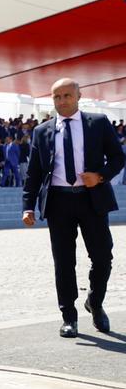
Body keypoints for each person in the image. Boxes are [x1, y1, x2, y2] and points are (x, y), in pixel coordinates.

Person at [22, 78, 124, 337]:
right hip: (58, 202)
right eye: (57, 97)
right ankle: (69, 316)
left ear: (79, 96)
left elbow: (118, 157)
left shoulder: (98, 123)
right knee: (63, 263)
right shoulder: (42, 131)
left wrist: (100, 176)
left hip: (92, 199)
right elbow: (34, 173)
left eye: (67, 96)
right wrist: (28, 207)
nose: (62, 101)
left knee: (102, 258)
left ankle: (95, 302)